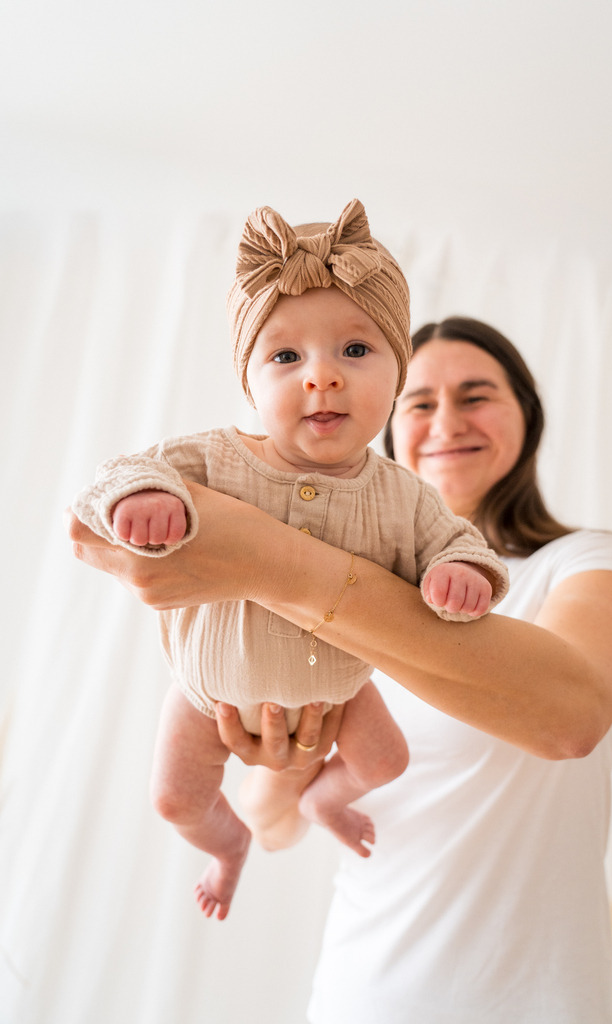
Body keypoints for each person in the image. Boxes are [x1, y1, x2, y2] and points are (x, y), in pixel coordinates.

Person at [67, 315, 612, 1022]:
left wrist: (268, 561)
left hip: (535, 1002)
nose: (447, 422)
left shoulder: (589, 561)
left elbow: (571, 719)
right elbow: (273, 825)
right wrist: (289, 756)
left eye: (475, 396)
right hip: (360, 992)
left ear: (527, 415)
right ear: (388, 420)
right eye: (421, 402)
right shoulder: (334, 556)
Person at [71, 205, 509, 923]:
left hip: (341, 694)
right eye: (285, 357)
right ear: (248, 381)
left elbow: (459, 544)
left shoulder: (404, 496)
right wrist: (143, 495)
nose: (321, 378)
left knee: (386, 762)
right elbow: (117, 473)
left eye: (355, 350)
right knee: (173, 799)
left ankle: (324, 800)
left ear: (397, 373)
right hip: (205, 695)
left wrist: (460, 576)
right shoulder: (215, 458)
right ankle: (228, 847)